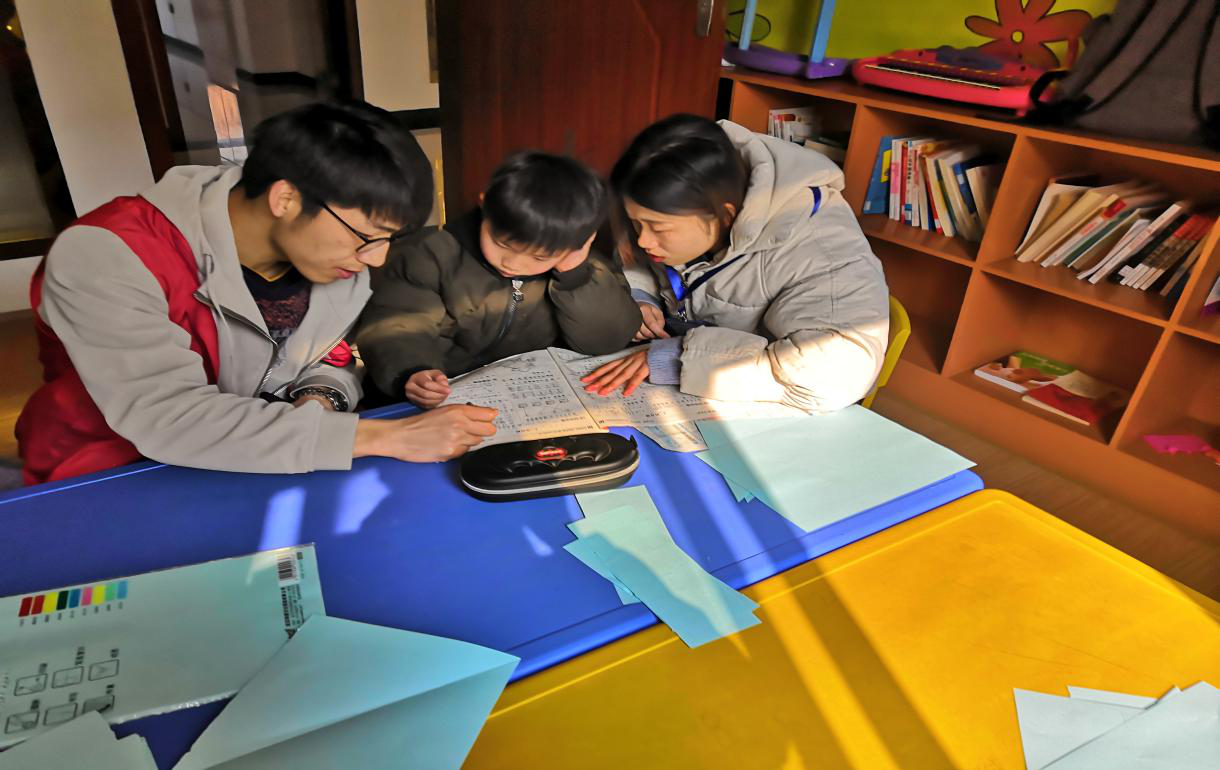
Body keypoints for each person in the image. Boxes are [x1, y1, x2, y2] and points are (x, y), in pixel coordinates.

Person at [16, 101, 497, 486]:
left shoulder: (334, 257)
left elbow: (335, 358)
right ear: (285, 198)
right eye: (369, 236)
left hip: (262, 460)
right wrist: (382, 437)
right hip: (113, 476)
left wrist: (319, 401)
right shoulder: (108, 254)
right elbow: (170, 417)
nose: (376, 258)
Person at [580, 114, 889, 413]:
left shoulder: (825, 253)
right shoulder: (686, 187)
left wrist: (682, 358)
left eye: (658, 229)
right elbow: (635, 257)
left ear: (725, 216)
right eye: (637, 223)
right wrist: (641, 296)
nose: (644, 240)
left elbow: (836, 376)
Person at [356, 151, 641, 408]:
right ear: (485, 205)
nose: (512, 263)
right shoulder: (432, 255)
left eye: (539, 257)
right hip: (442, 390)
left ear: (578, 245)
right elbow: (396, 324)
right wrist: (413, 370)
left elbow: (608, 340)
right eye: (501, 244)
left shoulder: (584, 268)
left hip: (525, 395)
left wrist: (574, 275)